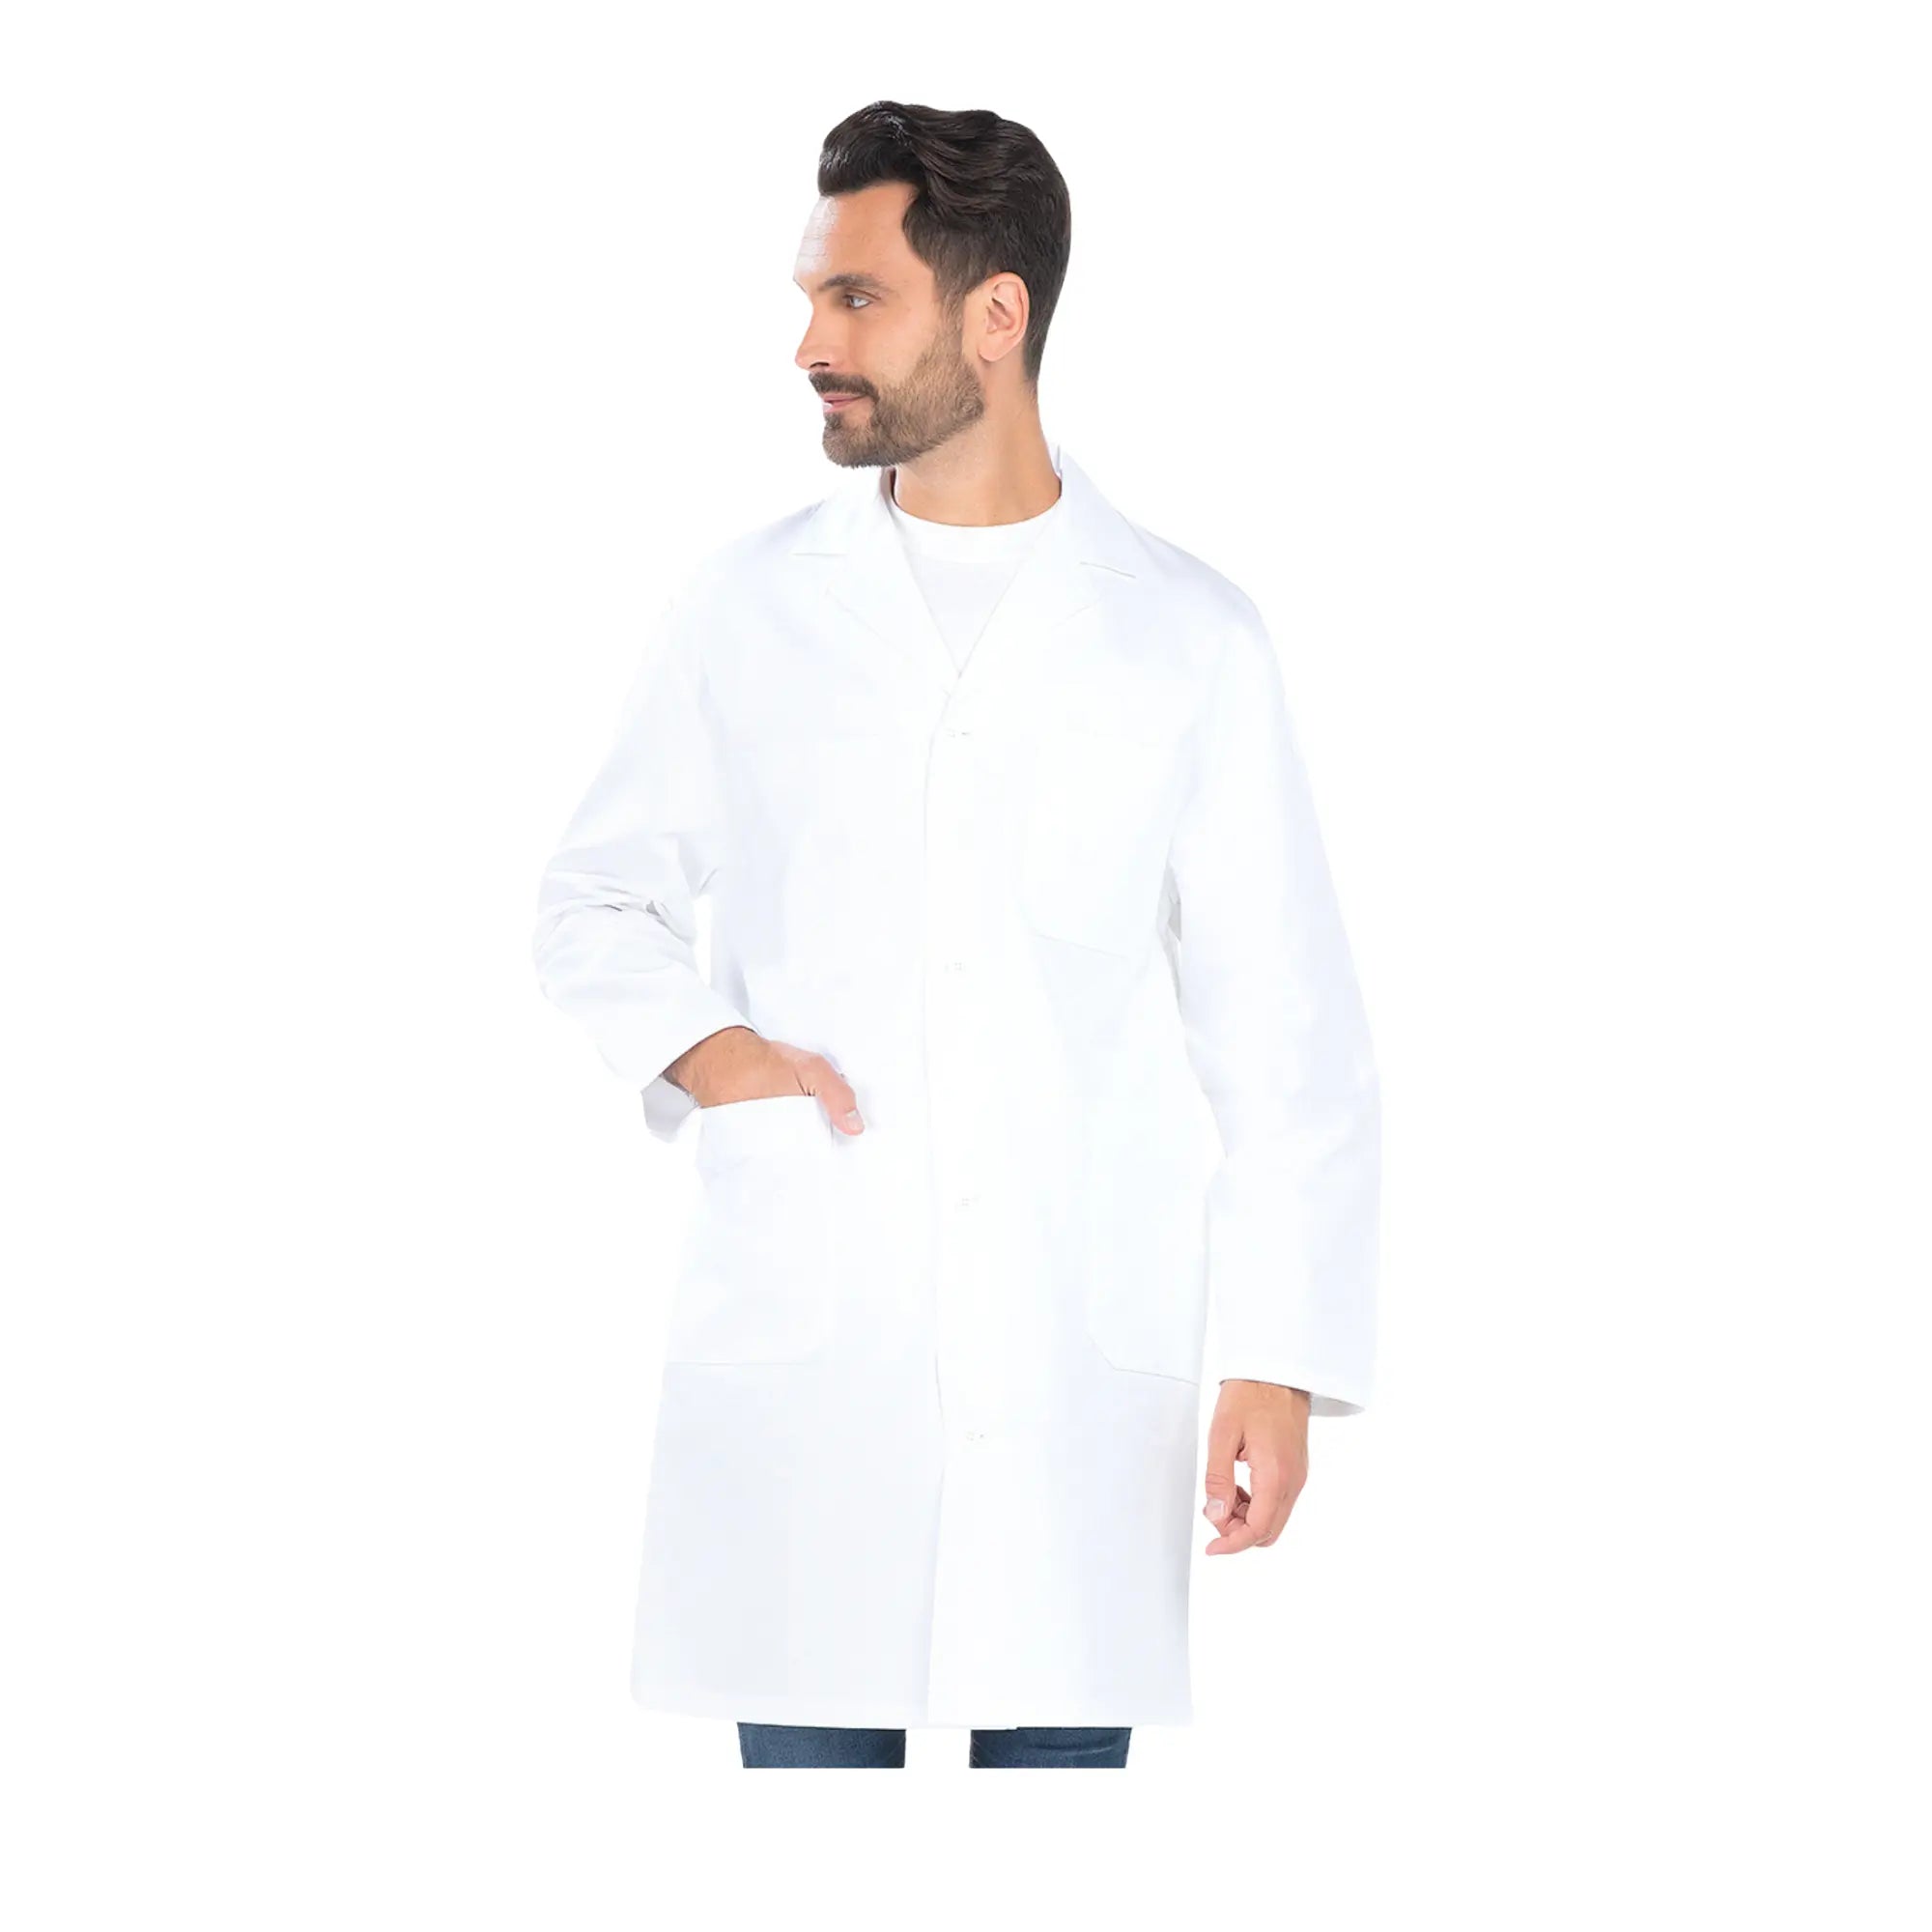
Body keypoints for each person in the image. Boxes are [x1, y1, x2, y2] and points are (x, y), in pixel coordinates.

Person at [530, 100, 1379, 1771]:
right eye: (811, 295)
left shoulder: (1188, 638)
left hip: (1078, 1369)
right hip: (813, 1361)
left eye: (856, 297)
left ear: (998, 315)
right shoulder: (746, 607)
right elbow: (594, 897)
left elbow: (1289, 1036)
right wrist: (715, 1053)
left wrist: (1278, 1364)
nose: (808, 343)